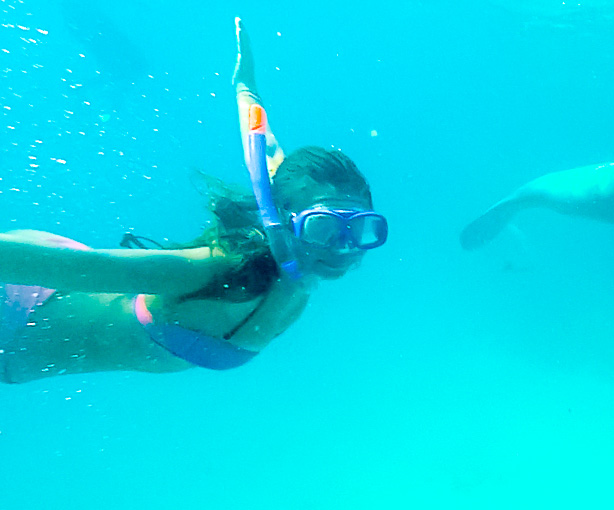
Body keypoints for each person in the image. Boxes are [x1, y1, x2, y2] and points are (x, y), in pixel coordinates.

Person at [0, 18, 387, 384]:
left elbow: (267, 151)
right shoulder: (214, 271)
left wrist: (245, 85)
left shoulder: (299, 270)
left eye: (362, 229)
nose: (343, 249)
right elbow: (72, 268)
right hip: (22, 308)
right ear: (282, 220)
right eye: (323, 227)